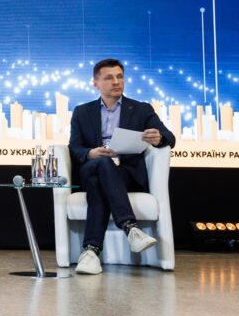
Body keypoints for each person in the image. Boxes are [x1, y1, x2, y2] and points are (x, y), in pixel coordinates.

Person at [68, 58, 175, 275]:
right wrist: (91, 153)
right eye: (109, 78)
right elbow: (75, 147)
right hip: (92, 166)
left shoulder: (142, 109)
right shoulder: (82, 111)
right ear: (96, 83)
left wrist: (159, 137)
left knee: (98, 183)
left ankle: (91, 252)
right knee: (101, 162)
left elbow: (169, 137)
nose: (116, 82)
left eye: (120, 77)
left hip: (125, 174)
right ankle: (130, 228)